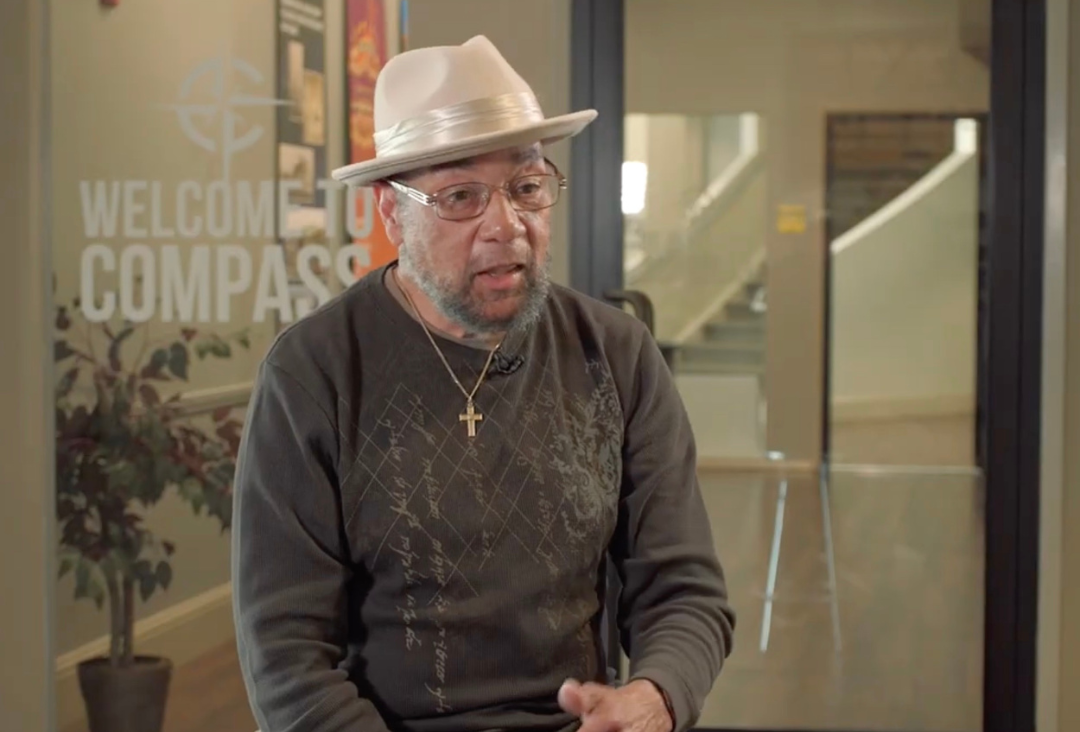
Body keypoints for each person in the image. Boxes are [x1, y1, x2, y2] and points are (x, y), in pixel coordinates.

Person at [231, 34, 735, 732]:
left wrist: (654, 699)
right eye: (462, 197)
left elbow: (685, 593)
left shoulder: (616, 354)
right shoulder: (314, 372)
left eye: (527, 187)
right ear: (391, 213)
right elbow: (286, 659)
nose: (508, 226)